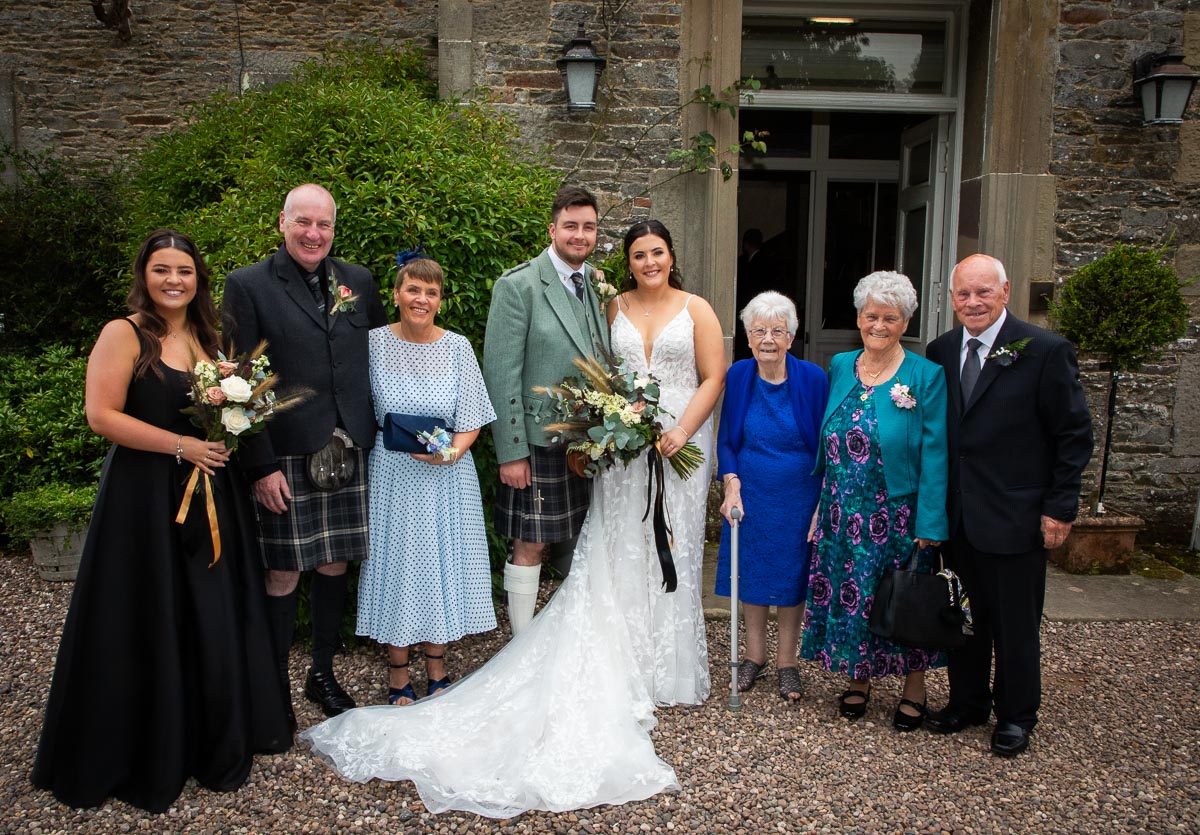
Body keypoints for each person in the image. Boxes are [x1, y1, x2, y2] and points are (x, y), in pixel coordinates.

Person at [301, 219, 725, 817]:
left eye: (657, 252)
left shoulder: (685, 306)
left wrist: (679, 429)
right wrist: (535, 445)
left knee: (674, 547)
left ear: (671, 255)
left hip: (679, 441)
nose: (649, 261)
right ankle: (577, 654)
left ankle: (665, 667)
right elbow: (536, 372)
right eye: (639, 254)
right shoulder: (603, 303)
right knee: (614, 547)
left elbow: (714, 375)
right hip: (620, 447)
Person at [31, 229, 291, 813]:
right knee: (147, 611)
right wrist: (181, 446)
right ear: (144, 276)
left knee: (208, 611)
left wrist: (234, 424)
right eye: (162, 270)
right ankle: (146, 745)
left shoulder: (211, 337)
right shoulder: (124, 334)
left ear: (198, 279)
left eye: (184, 271)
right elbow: (101, 415)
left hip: (212, 497)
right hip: (144, 500)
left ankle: (207, 737)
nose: (174, 280)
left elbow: (236, 411)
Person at [221, 184, 388, 723]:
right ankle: (270, 688)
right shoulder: (247, 285)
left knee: (334, 561)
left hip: (349, 443)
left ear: (334, 229)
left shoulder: (357, 279)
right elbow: (240, 383)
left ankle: (322, 673)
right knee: (284, 570)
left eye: (324, 224)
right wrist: (261, 465)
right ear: (282, 222)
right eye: (303, 222)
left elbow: (382, 353)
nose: (314, 234)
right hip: (287, 450)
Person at [924, 253, 1092, 757]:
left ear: (1005, 292)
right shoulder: (940, 350)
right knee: (963, 617)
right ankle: (968, 702)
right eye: (963, 293)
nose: (972, 302)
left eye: (983, 292)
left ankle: (1017, 715)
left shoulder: (1045, 350)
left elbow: (1073, 435)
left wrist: (1060, 507)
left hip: (1016, 515)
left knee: (1015, 625)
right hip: (958, 516)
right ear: (951, 298)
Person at [800, 271, 949, 731]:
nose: (878, 325)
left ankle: (914, 688)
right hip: (843, 510)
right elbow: (831, 443)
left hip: (896, 513)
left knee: (904, 599)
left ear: (905, 323)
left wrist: (930, 522)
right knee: (855, 596)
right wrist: (821, 505)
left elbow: (936, 453)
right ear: (858, 318)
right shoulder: (842, 365)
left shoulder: (925, 375)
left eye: (890, 318)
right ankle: (859, 678)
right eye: (871, 316)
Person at [357, 253, 497, 705]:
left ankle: (437, 667)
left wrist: (452, 453)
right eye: (413, 289)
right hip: (392, 474)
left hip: (446, 475)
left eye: (431, 292)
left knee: (440, 565)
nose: (421, 299)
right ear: (396, 294)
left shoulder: (457, 347)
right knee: (397, 565)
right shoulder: (372, 344)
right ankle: (398, 673)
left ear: (440, 301)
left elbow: (473, 415)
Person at [482, 185, 610, 635]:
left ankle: (570, 640)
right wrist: (512, 453)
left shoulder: (596, 284)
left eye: (589, 227)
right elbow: (500, 376)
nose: (580, 235)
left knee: (583, 543)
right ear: (552, 230)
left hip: (588, 444)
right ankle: (521, 643)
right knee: (530, 543)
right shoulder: (518, 286)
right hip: (536, 442)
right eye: (570, 226)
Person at [715, 291, 828, 702]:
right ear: (747, 337)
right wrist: (731, 482)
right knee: (751, 570)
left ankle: (787, 662)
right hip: (751, 491)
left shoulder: (813, 378)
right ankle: (754, 656)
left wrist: (824, 498)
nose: (767, 339)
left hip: (799, 493)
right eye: (759, 330)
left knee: (793, 574)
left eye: (777, 331)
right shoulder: (739, 375)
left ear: (791, 338)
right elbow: (727, 439)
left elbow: (827, 443)